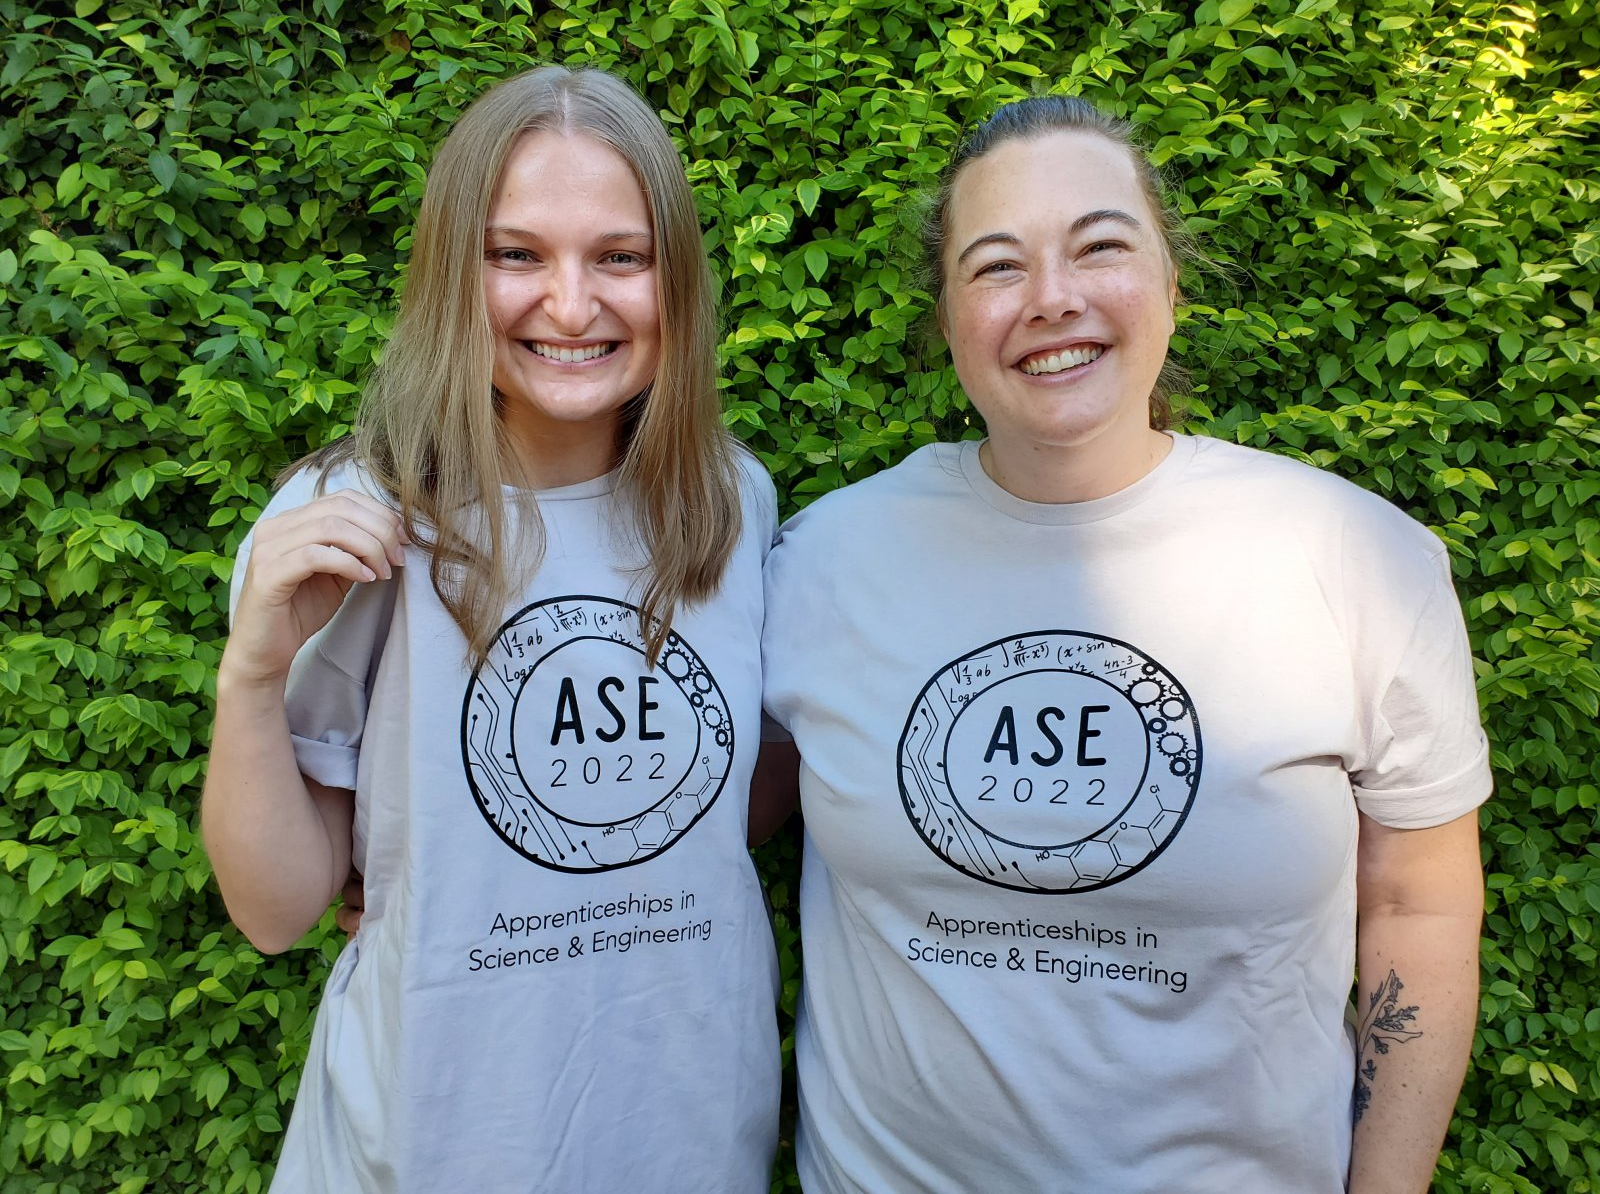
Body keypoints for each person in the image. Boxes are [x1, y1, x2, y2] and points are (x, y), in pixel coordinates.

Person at [761, 96, 1488, 1193]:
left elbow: (1418, 902)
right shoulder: (823, 558)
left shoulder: (1356, 558)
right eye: (996, 266)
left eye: (1100, 247)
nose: (1052, 299)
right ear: (946, 316)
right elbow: (692, 805)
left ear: (1170, 284)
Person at [203, 66, 786, 1192]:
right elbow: (277, 913)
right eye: (515, 255)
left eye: (621, 257)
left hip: (687, 1137)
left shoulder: (729, 504)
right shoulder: (358, 519)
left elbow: (732, 798)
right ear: (448, 276)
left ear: (678, 280)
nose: (570, 307)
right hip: (428, 1146)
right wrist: (252, 675)